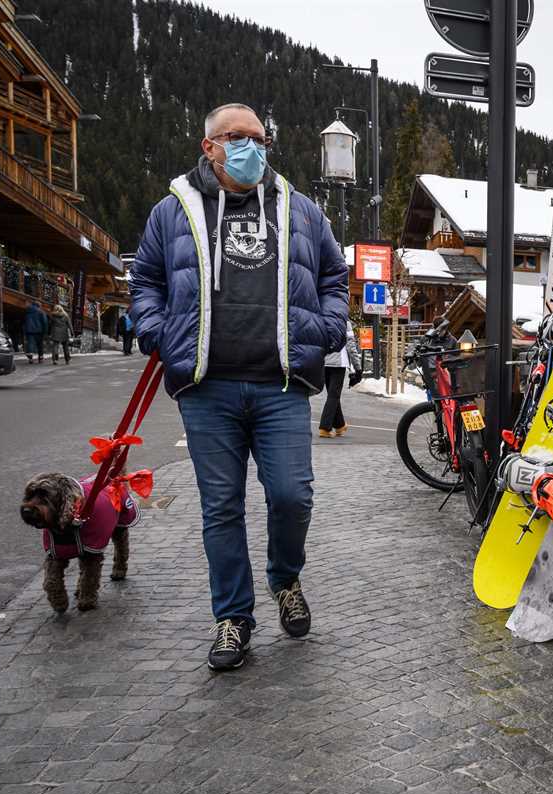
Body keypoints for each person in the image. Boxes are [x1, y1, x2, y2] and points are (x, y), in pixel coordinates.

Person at [129, 102, 350, 671]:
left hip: (281, 384)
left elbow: (333, 276)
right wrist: (159, 332)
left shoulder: (302, 211)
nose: (252, 147)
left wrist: (327, 329)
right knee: (221, 508)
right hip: (208, 386)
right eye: (238, 137)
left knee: (291, 496)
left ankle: (286, 578)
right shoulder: (172, 211)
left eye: (260, 139)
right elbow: (146, 280)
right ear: (210, 146)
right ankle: (233, 619)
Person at [318, 321, 362, 437]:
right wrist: (358, 368)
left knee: (332, 395)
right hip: (339, 363)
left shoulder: (324, 319)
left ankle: (340, 425)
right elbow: (351, 346)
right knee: (334, 395)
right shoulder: (344, 322)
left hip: (324, 361)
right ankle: (324, 427)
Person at [22, 300, 47, 364]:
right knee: (40, 344)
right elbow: (44, 322)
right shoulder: (41, 312)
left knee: (30, 343)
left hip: (29, 330)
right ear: (39, 306)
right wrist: (45, 331)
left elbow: (25, 321)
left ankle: (30, 358)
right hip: (39, 330)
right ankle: (40, 358)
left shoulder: (28, 311)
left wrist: (25, 329)